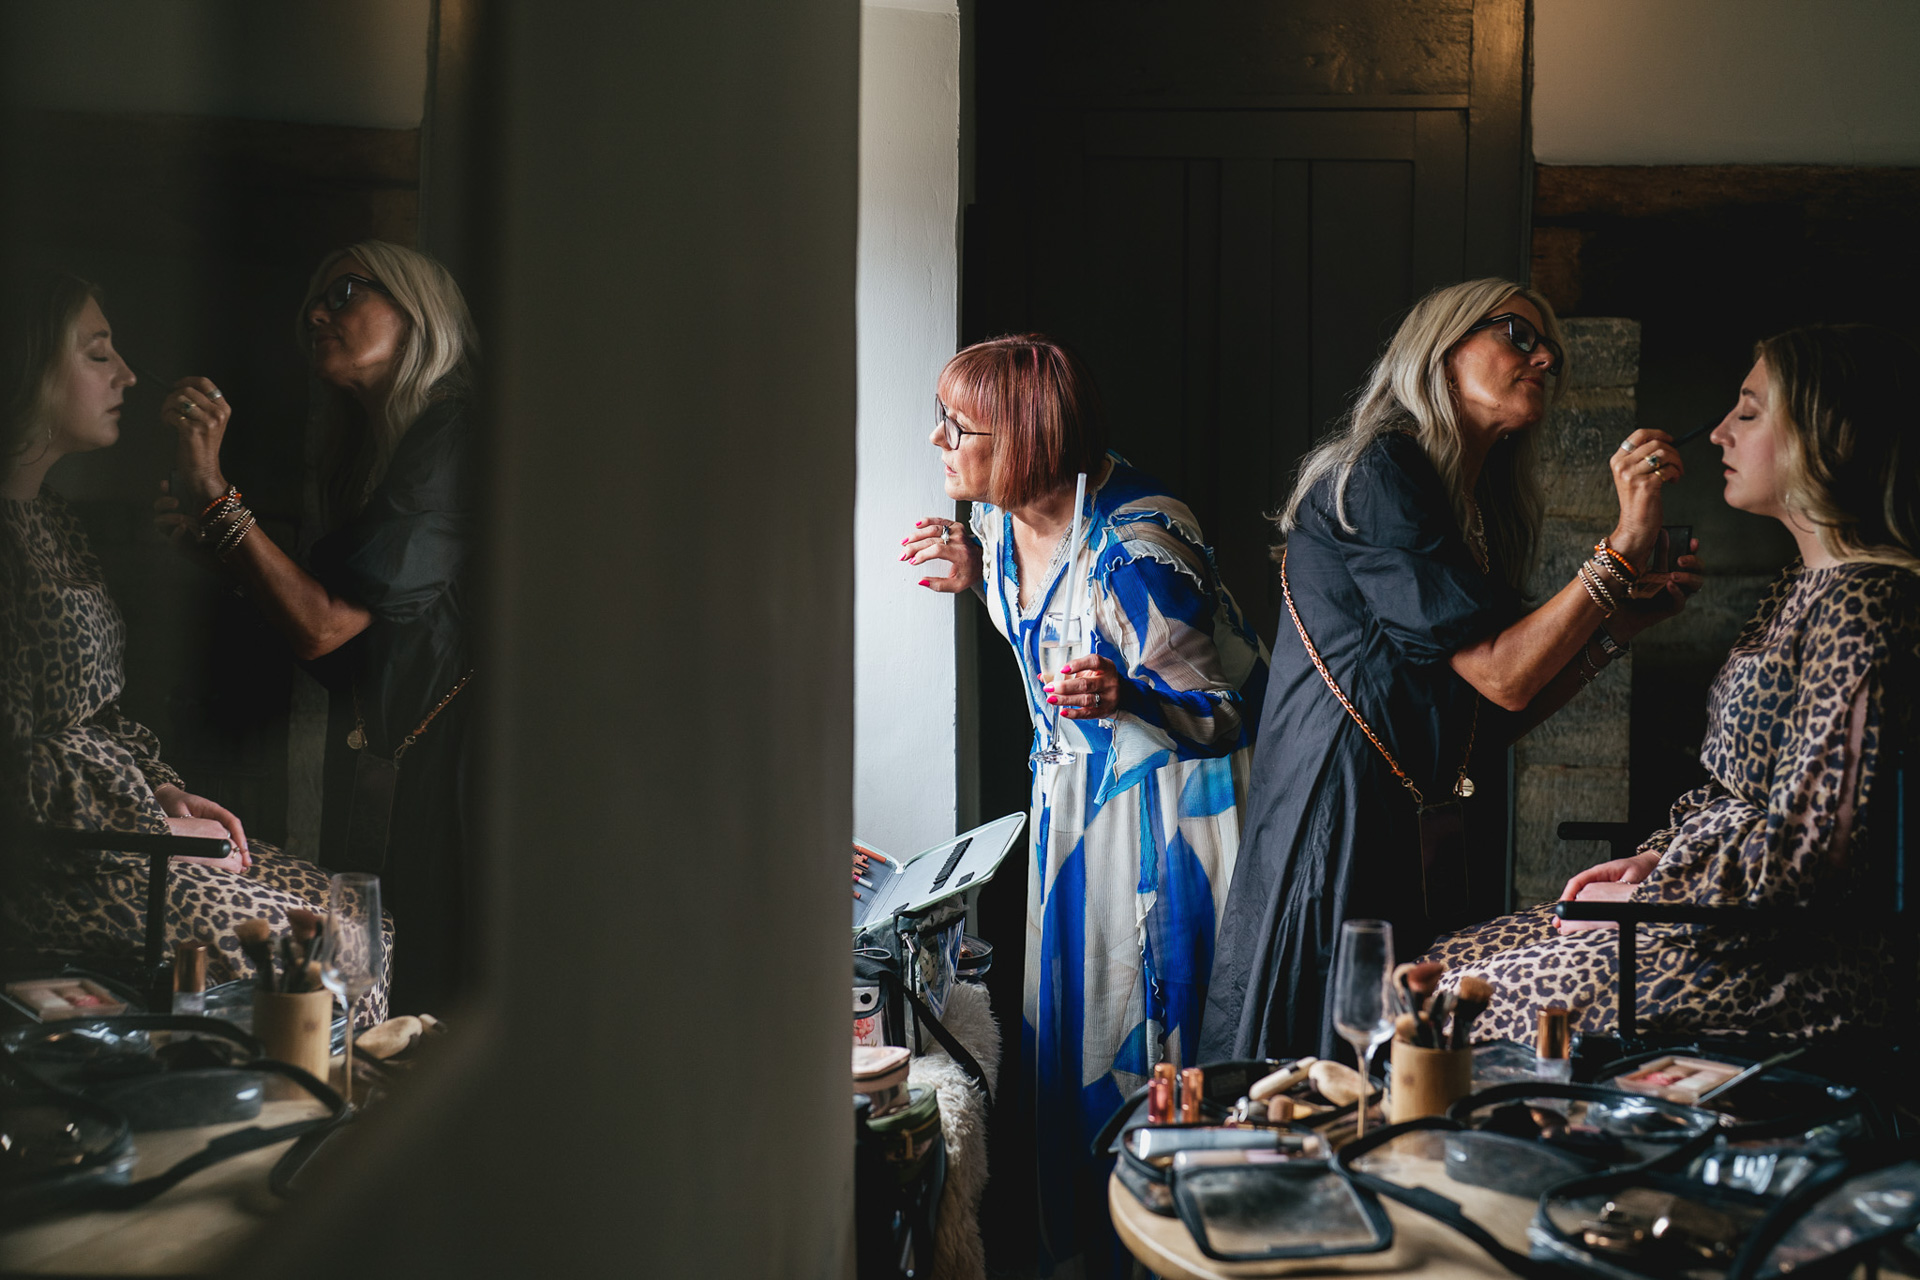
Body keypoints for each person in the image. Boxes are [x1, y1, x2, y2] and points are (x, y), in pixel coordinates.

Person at [1201, 277, 1702, 1064]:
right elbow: (1504, 675)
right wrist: (1622, 547)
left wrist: (1619, 623)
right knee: (1319, 1074)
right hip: (1337, 818)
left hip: (1403, 819)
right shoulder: (1381, 473)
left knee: (1402, 1073)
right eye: (1517, 333)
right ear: (1441, 351)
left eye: (1551, 352)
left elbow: (1498, 705)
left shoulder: (1474, 506)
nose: (1542, 357)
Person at [1425, 324, 1920, 1041]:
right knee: (1439, 963)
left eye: (1748, 413)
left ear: (1828, 436)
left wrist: (1654, 893)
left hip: (1789, 962)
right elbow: (1741, 796)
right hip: (1719, 914)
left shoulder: (1864, 604)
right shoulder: (1807, 587)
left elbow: (1818, 857)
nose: (1717, 433)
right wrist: (1655, 855)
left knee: (1441, 1001)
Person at [902, 333, 1267, 1274]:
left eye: (960, 426)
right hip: (1075, 812)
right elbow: (1041, 608)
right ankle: (1086, 1256)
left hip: (1163, 826)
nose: (937, 440)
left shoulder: (1141, 551)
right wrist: (976, 574)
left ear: (1023, 440)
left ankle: (1167, 1254)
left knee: (1146, 1039)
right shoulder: (992, 520)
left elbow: (1226, 715)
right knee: (1075, 1039)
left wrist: (1131, 694)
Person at [0, 270, 385, 1018]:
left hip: (119, 830)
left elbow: (99, 717)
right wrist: (146, 825)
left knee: (358, 925)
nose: (130, 375)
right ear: (29, 366)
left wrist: (165, 787)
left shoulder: (50, 520)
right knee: (326, 956)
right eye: (98, 352)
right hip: (60, 868)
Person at [157, 241, 478, 1011]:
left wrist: (214, 495)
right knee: (378, 996)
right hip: (398, 769)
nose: (315, 313)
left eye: (345, 292)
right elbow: (345, 652)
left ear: (417, 313)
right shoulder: (373, 456)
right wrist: (223, 558)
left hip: (463, 777)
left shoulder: (455, 438)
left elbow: (324, 628)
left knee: (421, 1003)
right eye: (313, 299)